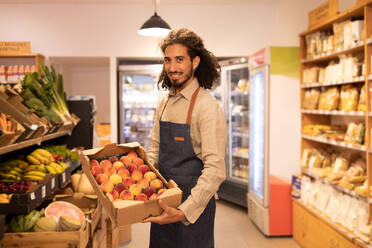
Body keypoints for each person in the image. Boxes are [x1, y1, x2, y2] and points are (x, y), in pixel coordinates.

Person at [143, 28, 227, 248]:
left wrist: (183, 211)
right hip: (164, 202)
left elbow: (215, 169)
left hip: (193, 211)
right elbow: (154, 149)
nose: (172, 67)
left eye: (179, 60)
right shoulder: (164, 103)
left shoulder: (206, 106)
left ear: (195, 62)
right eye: (167, 60)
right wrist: (140, 179)